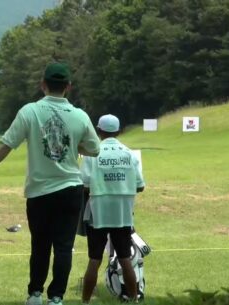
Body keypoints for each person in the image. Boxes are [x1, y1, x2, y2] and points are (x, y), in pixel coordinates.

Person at [0, 62, 100, 305]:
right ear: (68, 87)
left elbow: (6, 144)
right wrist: (72, 145)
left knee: (40, 246)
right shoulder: (80, 115)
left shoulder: (30, 111)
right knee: (63, 247)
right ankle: (57, 297)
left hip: (40, 192)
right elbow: (94, 149)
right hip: (71, 190)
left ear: (43, 85)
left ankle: (36, 294)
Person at [80, 114, 145, 304]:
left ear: (99, 131)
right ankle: (133, 299)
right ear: (119, 131)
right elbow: (140, 186)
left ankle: (85, 301)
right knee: (125, 258)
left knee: (94, 259)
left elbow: (83, 184)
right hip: (123, 214)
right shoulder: (129, 154)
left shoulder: (93, 153)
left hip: (97, 214)